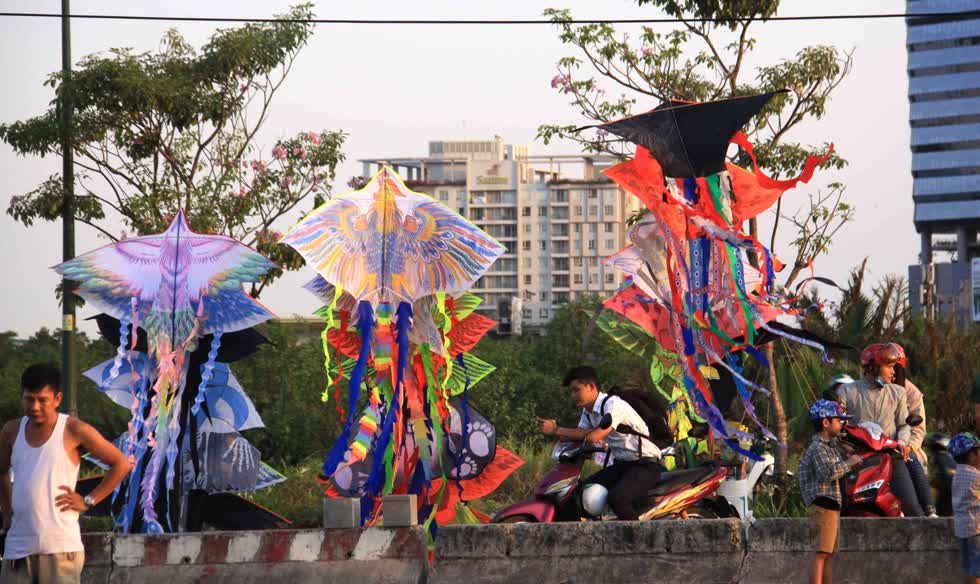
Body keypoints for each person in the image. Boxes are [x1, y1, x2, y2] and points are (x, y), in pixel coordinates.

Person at [0, 364, 131, 584]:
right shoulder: (11, 430)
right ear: (21, 397)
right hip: (18, 547)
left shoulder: (73, 430)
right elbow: (1, 471)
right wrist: (7, 511)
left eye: (43, 400)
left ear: (57, 398)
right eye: (29, 399)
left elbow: (121, 464)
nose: (35, 407)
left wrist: (88, 500)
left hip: (61, 549)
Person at [535, 366, 661, 520]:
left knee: (618, 499)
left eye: (576, 390)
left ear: (591, 387)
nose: (573, 395)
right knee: (578, 493)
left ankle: (640, 541)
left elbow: (594, 436)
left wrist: (557, 430)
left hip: (645, 465)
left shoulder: (613, 405)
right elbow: (579, 434)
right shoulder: (587, 412)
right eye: (571, 392)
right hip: (624, 465)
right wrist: (557, 432)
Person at [836, 342, 936, 517]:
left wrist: (903, 443)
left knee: (912, 506)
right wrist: (844, 443)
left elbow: (904, 424)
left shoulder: (898, 392)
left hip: (891, 455)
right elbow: (838, 423)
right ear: (873, 367)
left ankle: (929, 513)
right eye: (889, 366)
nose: (893, 372)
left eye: (894, 367)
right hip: (858, 456)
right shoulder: (847, 391)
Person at [798, 400, 863, 584]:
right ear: (825, 423)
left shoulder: (830, 447)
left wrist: (848, 456)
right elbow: (827, 473)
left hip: (831, 506)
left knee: (827, 553)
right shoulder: (818, 447)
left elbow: (837, 466)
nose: (841, 424)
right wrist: (849, 463)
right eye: (838, 420)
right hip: (822, 505)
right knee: (820, 553)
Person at [949, 432, 980, 583]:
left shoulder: (957, 475)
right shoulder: (976, 477)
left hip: (962, 530)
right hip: (976, 530)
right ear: (972, 456)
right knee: (977, 570)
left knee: (967, 568)